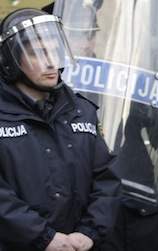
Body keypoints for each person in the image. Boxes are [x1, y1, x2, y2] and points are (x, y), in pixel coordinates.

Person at [0, 8, 121, 250]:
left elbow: (106, 178)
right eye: (37, 54)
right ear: (11, 62)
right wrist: (43, 237)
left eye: (55, 52)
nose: (50, 62)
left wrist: (89, 232)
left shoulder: (81, 110)